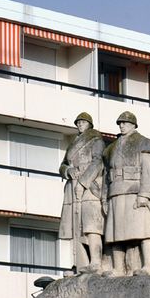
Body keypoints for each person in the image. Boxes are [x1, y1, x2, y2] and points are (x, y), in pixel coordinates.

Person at [103, 111, 150, 276]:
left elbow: (149, 171)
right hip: (115, 192)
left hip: (135, 191)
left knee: (144, 230)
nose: (122, 126)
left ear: (134, 125)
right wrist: (104, 198)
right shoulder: (111, 148)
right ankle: (118, 268)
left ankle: (149, 265)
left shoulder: (143, 142)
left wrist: (145, 193)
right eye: (120, 123)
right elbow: (106, 175)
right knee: (116, 233)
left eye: (125, 123)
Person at [58, 113, 105, 273]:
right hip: (72, 185)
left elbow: (98, 162)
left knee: (92, 225)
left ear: (89, 124)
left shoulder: (96, 140)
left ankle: (96, 261)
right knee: (75, 227)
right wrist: (68, 170)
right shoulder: (73, 143)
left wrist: (84, 183)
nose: (80, 124)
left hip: (91, 185)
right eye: (78, 122)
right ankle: (79, 265)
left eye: (83, 122)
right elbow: (63, 165)